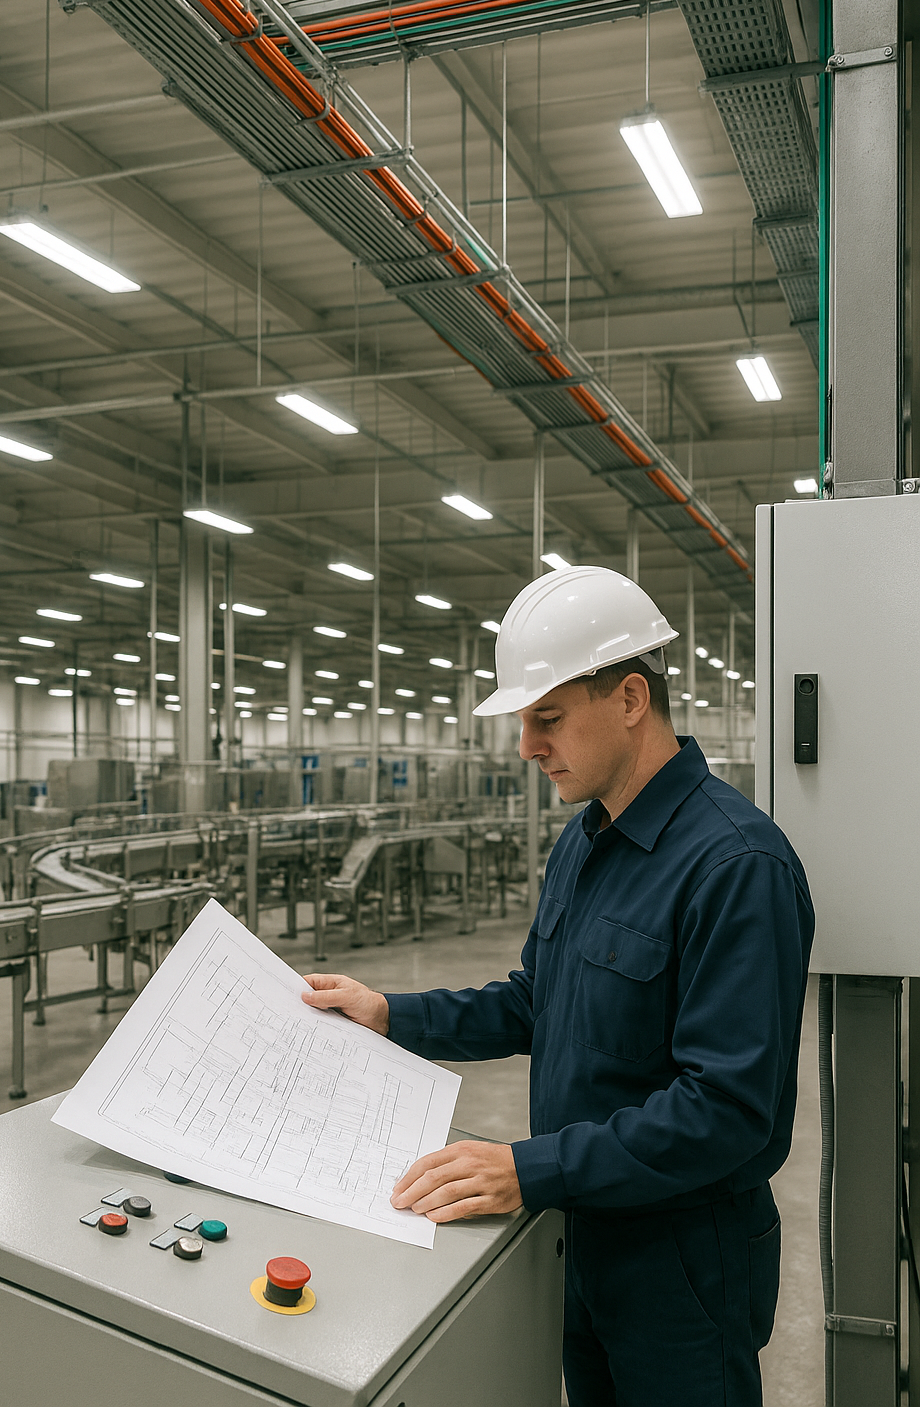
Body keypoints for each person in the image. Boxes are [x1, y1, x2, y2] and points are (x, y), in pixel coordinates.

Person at [303, 566, 814, 1407]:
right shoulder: (584, 842)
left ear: (629, 699)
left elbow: (728, 1111)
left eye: (547, 719)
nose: (527, 747)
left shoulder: (737, 865)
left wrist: (528, 1169)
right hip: (581, 1231)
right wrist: (391, 1013)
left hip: (684, 1262)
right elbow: (534, 1001)